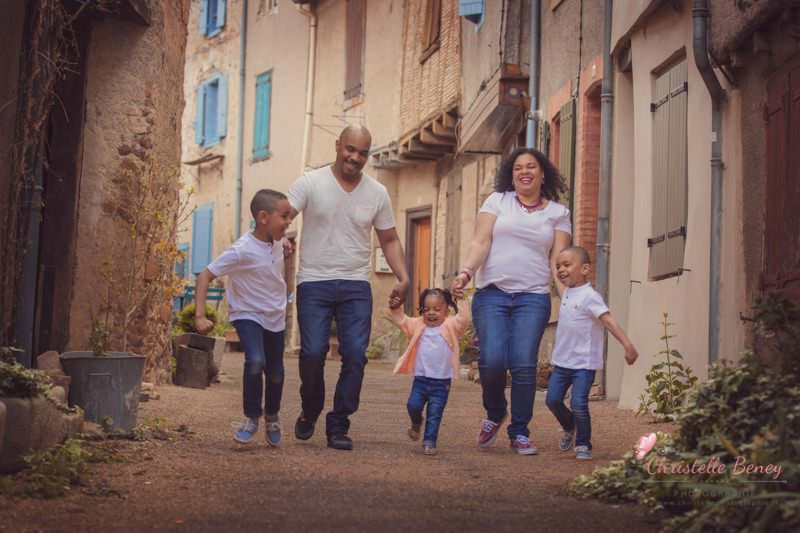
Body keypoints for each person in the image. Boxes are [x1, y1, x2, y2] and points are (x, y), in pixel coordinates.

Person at [288, 125, 410, 451]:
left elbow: (389, 239)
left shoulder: (377, 192)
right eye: (350, 149)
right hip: (314, 281)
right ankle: (310, 408)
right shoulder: (310, 183)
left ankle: (339, 423)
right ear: (338, 145)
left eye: (362, 153)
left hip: (356, 283)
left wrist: (403, 277)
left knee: (355, 355)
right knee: (313, 353)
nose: (355, 157)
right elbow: (284, 215)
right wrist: (281, 238)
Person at [452, 147, 571, 455]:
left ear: (542, 174)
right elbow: (481, 241)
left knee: (523, 364)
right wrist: (466, 273)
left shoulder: (558, 214)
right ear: (511, 174)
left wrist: (570, 298)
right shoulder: (497, 201)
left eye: (531, 166)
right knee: (492, 361)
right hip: (492, 294)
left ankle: (519, 431)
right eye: (518, 167)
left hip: (533, 297)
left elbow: (559, 260)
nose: (524, 172)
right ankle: (495, 413)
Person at [194, 189, 292, 445]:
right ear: (263, 217)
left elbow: (280, 269)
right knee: (256, 361)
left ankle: (272, 416)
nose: (289, 222)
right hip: (247, 313)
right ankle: (251, 417)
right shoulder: (241, 250)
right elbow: (205, 276)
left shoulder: (279, 243)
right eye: (284, 217)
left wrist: (285, 243)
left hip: (274, 315)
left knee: (276, 372)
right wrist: (200, 315)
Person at [545, 246, 638, 460]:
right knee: (552, 400)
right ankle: (569, 425)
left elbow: (608, 321)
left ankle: (583, 443)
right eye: (558, 266)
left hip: (583, 364)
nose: (561, 270)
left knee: (578, 403)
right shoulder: (567, 292)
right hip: (562, 363)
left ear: (585, 269)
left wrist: (627, 345)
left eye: (567, 265)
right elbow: (555, 271)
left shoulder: (590, 296)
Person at [390, 288, 471, 456]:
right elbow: (402, 321)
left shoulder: (451, 325)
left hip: (442, 382)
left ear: (447, 310)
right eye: (426, 309)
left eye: (437, 309)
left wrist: (461, 300)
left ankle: (429, 441)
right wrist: (396, 307)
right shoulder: (418, 325)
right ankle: (416, 422)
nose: (431, 313)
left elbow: (464, 319)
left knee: (435, 414)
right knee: (413, 405)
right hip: (421, 379)